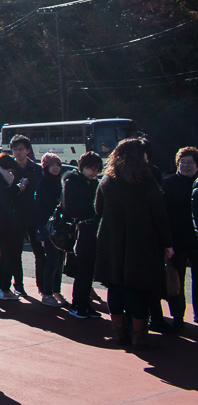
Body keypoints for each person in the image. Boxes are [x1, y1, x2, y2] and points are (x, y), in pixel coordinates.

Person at [94, 139, 173, 350]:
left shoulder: (107, 181)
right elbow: (160, 216)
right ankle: (140, 335)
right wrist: (168, 243)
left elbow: (98, 209)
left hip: (111, 242)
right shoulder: (147, 183)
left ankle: (119, 332)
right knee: (137, 289)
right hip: (141, 242)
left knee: (115, 287)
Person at [158, 146, 198, 330]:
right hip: (177, 242)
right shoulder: (169, 184)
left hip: (196, 241)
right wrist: (167, 243)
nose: (186, 166)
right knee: (176, 280)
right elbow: (163, 216)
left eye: (190, 162)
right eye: (182, 162)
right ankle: (178, 317)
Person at [62, 152, 104, 319]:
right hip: (80, 229)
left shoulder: (93, 183)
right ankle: (78, 304)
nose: (94, 172)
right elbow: (70, 206)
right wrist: (92, 208)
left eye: (97, 169)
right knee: (83, 269)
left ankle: (85, 304)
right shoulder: (72, 181)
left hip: (92, 229)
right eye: (92, 168)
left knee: (88, 269)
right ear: (82, 167)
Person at [0, 153, 24, 300]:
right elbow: (3, 197)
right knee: (9, 255)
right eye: (10, 170)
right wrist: (18, 189)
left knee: (4, 255)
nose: (10, 172)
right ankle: (5, 289)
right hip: (4, 220)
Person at [10, 134, 45, 296]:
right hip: (16, 216)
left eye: (21, 149)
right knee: (16, 252)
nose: (18, 152)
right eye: (15, 149)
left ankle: (42, 285)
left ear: (28, 150)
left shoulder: (37, 169)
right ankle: (18, 285)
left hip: (34, 215)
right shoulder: (8, 169)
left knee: (39, 252)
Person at [36, 153, 66, 307]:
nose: (55, 168)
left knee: (60, 260)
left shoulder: (60, 182)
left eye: (57, 165)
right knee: (52, 260)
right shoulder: (43, 183)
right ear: (46, 167)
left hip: (59, 227)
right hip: (48, 228)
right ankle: (47, 293)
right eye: (52, 165)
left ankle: (56, 290)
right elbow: (49, 205)